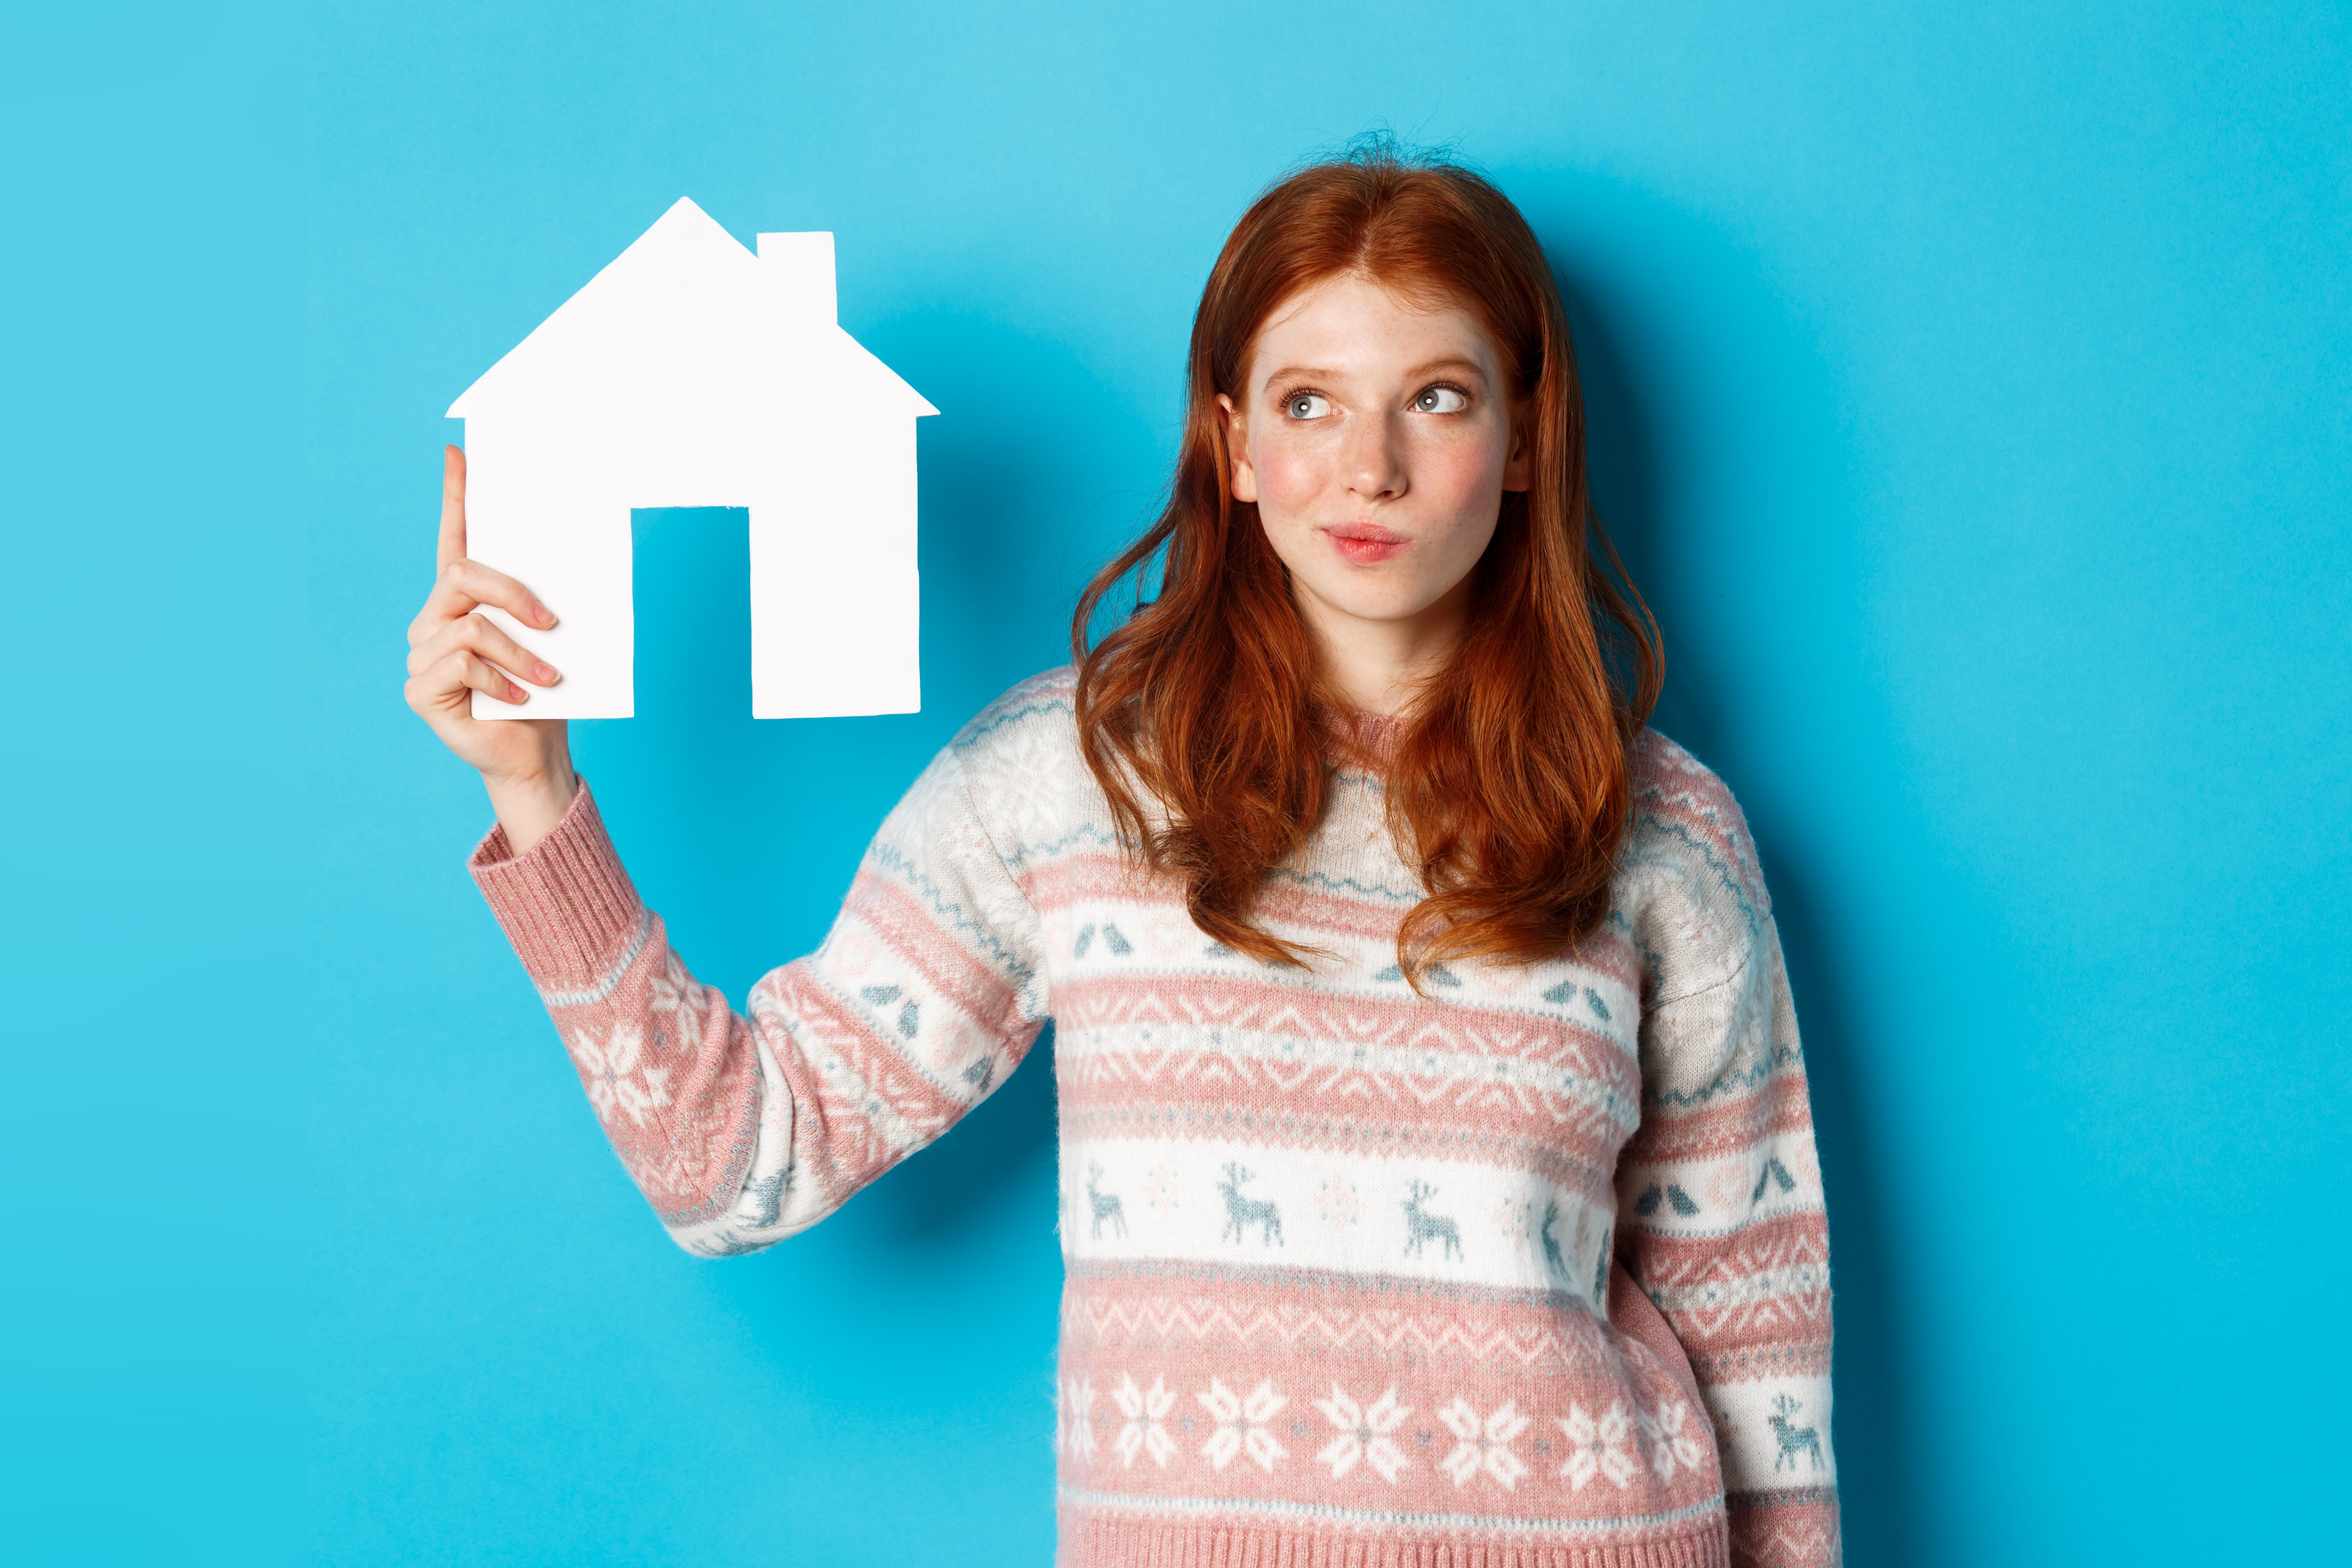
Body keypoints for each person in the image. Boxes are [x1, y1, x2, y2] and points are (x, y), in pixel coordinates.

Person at [406, 140, 1842, 1568]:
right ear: (1235, 443)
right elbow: (734, 1167)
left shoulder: (1656, 829)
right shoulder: (1066, 782)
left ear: (1526, 437)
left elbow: (1755, 1336)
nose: (1372, 468)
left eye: (1438, 399)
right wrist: (536, 794)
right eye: (1309, 403)